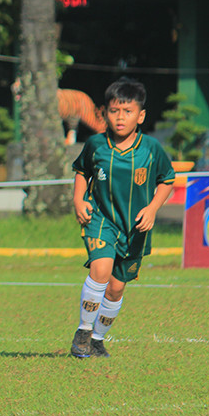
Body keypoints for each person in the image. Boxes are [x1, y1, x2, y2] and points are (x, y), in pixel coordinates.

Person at [70, 78, 175, 358]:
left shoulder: (151, 149)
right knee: (101, 272)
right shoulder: (96, 144)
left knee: (116, 289)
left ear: (140, 115)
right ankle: (82, 331)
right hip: (101, 220)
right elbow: (82, 171)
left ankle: (97, 340)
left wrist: (152, 208)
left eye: (127, 111)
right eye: (115, 111)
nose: (120, 117)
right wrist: (78, 199)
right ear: (104, 112)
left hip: (135, 229)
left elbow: (167, 180)